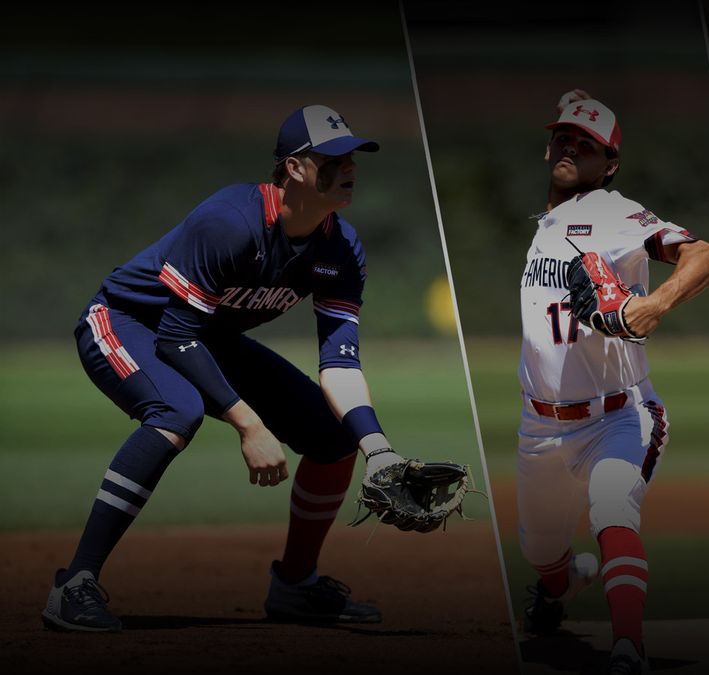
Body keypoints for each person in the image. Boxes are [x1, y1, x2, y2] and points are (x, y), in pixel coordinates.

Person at [44, 105, 426, 632]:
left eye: (353, 156)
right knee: (176, 412)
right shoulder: (232, 222)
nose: (349, 167)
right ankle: (75, 583)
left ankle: (295, 585)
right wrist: (250, 424)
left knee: (333, 438)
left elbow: (339, 361)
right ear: (294, 168)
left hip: (204, 337)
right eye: (333, 157)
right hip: (126, 320)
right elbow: (176, 335)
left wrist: (378, 450)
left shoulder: (341, 248)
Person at [517, 90, 709, 674]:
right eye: (563, 138)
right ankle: (561, 586)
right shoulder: (550, 220)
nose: (570, 147)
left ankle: (628, 648)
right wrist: (575, 105)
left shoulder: (613, 212)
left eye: (588, 146)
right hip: (539, 426)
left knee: (613, 510)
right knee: (542, 556)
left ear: (609, 165)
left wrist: (651, 306)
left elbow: (705, 255)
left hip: (617, 415)